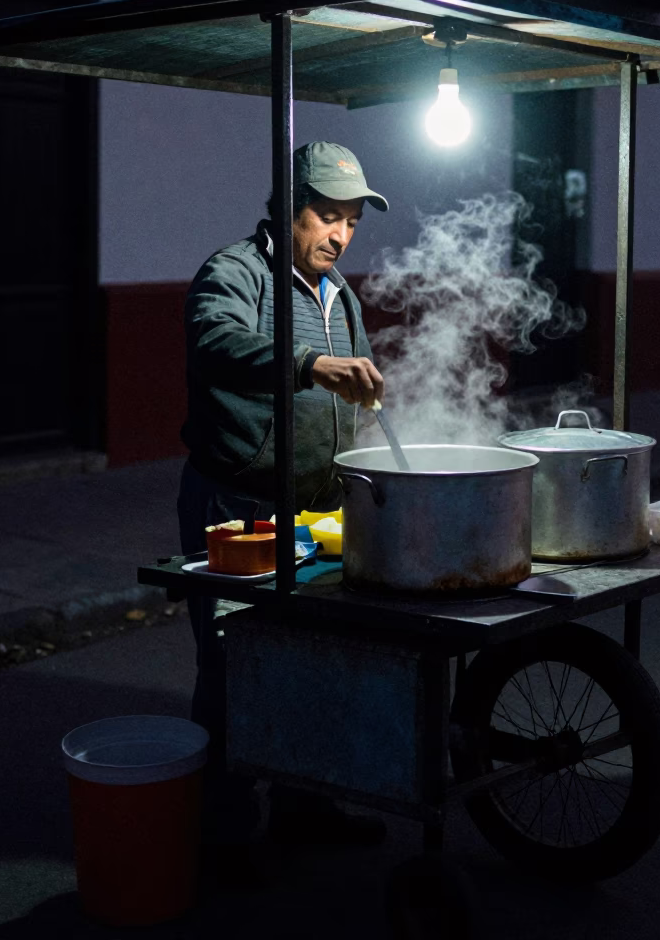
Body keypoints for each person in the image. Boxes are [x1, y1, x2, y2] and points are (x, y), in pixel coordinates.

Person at [177, 141, 387, 851]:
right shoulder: (238, 272)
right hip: (235, 505)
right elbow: (214, 342)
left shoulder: (341, 294)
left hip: (314, 509)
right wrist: (308, 364)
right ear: (286, 209)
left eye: (352, 220)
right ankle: (226, 830)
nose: (340, 235)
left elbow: (344, 399)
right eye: (326, 215)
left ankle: (306, 809)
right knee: (236, 663)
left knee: (313, 655)